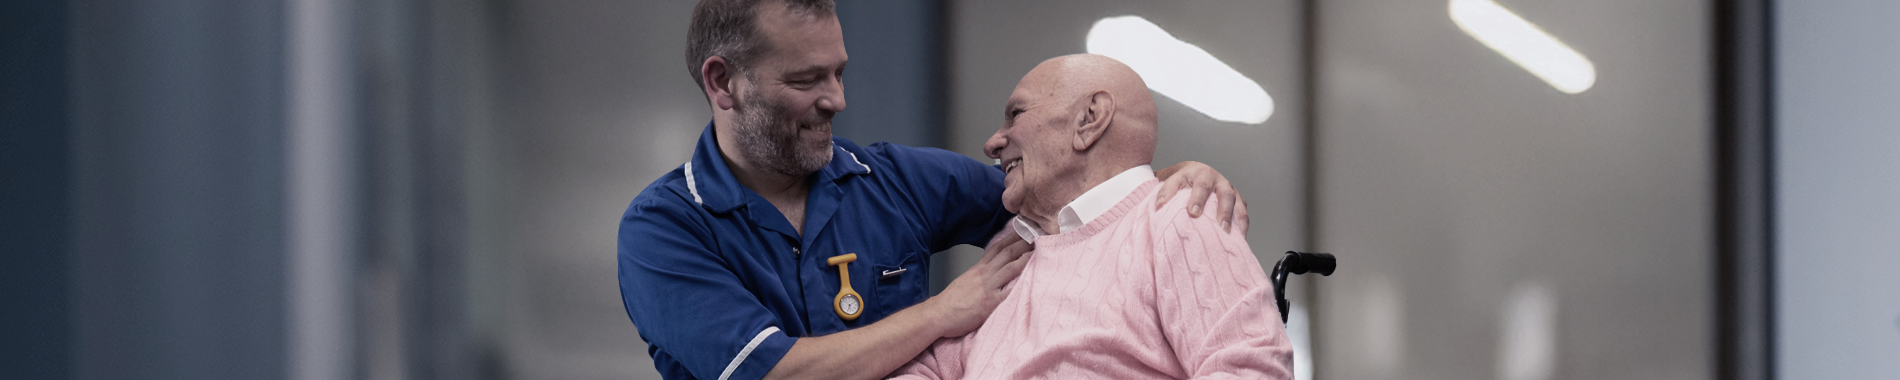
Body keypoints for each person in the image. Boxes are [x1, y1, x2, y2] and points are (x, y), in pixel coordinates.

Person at [617, 1, 1250, 379]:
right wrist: (946, 312)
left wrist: (1161, 186)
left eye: (839, 72)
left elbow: (1067, 198)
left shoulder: (896, 183)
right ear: (723, 83)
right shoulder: (664, 230)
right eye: (808, 79)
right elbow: (774, 372)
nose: (837, 99)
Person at [887, 54, 1293, 379]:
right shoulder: (1015, 245)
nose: (993, 142)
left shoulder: (1178, 220)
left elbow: (1250, 369)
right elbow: (928, 370)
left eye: (1016, 115)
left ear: (1090, 119)